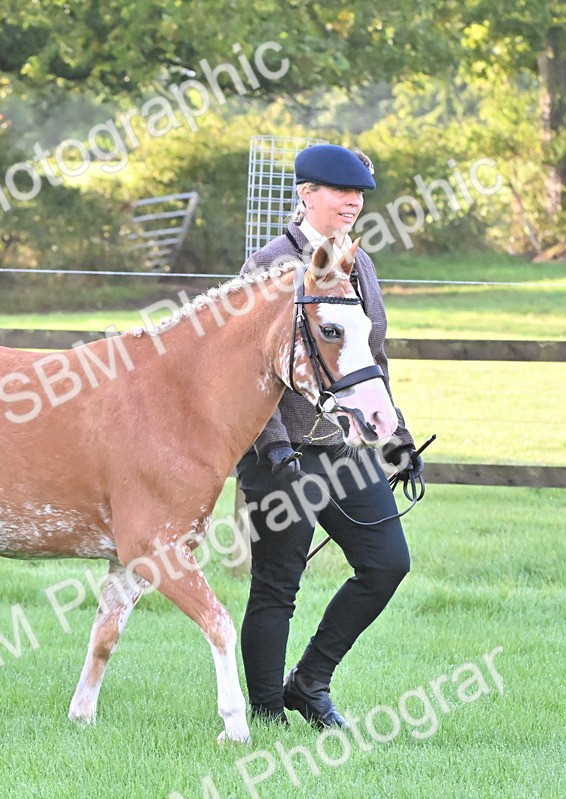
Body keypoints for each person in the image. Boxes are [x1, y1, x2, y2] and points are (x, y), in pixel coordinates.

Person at [237, 143, 422, 728]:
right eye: (340, 191)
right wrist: (273, 448)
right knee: (277, 586)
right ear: (306, 193)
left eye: (360, 193)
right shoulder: (269, 265)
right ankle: (267, 714)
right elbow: (244, 369)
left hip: (344, 450)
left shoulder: (358, 263)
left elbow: (371, 356)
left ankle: (310, 682)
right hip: (280, 451)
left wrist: (396, 434)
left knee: (387, 562)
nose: (353, 202)